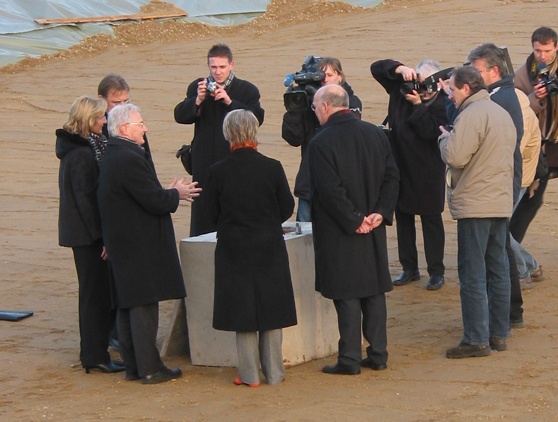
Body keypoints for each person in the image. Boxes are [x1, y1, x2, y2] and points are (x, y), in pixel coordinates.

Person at [97, 103, 201, 384]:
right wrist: (175, 193)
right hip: (138, 245)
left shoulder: (116, 154)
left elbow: (140, 194)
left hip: (125, 243)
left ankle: (135, 366)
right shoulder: (128, 157)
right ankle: (151, 368)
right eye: (140, 124)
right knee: (142, 308)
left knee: (130, 306)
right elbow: (152, 200)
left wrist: (166, 191)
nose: (145, 128)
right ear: (124, 129)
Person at [308, 84, 399, 375]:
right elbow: (392, 177)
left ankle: (349, 358)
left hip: (340, 231)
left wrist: (354, 219)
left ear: (325, 106)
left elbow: (329, 190)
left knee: (347, 294)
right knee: (372, 291)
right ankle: (378, 353)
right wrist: (379, 213)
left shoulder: (320, 142)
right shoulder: (375, 133)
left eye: (314, 107)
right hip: (372, 227)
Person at [204, 109, 297, 387]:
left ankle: (249, 374)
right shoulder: (272, 166)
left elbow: (209, 214)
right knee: (272, 307)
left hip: (234, 247)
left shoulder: (218, 171)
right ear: (254, 132)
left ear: (227, 134)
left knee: (242, 311)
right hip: (269, 244)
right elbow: (286, 207)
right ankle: (275, 372)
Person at [439, 66, 515, 358]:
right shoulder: (500, 112)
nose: (451, 96)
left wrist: (444, 139)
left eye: (453, 90)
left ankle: (476, 338)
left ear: (466, 89)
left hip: (476, 203)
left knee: (473, 272)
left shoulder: (472, 114)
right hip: (498, 201)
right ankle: (498, 334)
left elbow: (455, 156)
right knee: (497, 269)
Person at [56, 95, 124, 374]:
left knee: (94, 294)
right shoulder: (82, 154)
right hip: (87, 237)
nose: (105, 121)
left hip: (82, 234)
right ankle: (94, 355)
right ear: (88, 120)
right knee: (94, 296)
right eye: (101, 117)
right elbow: (86, 202)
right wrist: (103, 238)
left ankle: (95, 353)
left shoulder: (80, 148)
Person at [371, 59, 448, 290]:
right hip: (399, 166)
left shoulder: (444, 103)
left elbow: (430, 133)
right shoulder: (401, 91)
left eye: (426, 85)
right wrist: (400, 69)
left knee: (431, 221)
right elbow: (377, 68)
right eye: (418, 83)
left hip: (428, 171)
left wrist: (417, 106)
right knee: (403, 219)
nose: (421, 90)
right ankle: (409, 268)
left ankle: (436, 271)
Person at [464, 43, 527, 326]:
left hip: (494, 185)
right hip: (501, 182)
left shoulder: (498, 98)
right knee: (501, 253)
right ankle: (509, 315)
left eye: (475, 70)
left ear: (494, 70)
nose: (471, 76)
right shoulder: (502, 94)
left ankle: (508, 314)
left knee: (498, 258)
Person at [174, 43, 265, 236]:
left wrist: (230, 102)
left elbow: (256, 119)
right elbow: (180, 116)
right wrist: (197, 101)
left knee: (234, 205)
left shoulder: (246, 90)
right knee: (203, 212)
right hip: (204, 163)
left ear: (232, 65)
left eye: (222, 67)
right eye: (213, 67)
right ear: (208, 66)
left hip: (234, 160)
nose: (218, 72)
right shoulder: (197, 87)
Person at [282, 57, 362, 222]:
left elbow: (345, 133)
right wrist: (294, 109)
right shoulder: (309, 100)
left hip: (341, 183)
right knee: (305, 240)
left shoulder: (352, 101)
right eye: (320, 75)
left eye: (329, 75)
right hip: (309, 183)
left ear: (340, 76)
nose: (325, 79)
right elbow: (293, 138)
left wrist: (320, 102)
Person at [513, 26, 558, 280]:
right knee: (530, 200)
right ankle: (512, 253)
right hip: (541, 146)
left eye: (547, 51)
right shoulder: (524, 74)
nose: (542, 55)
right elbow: (518, 110)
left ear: (556, 47)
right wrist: (535, 97)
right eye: (537, 50)